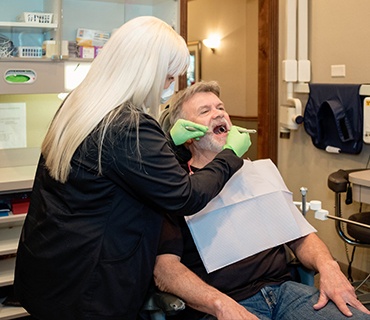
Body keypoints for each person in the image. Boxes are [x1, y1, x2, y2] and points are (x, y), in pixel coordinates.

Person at [13, 18, 252, 320]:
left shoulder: (82, 104)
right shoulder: (130, 125)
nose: (168, 86)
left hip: (51, 266)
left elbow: (120, 165)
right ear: (146, 72)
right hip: (90, 283)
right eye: (167, 77)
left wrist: (169, 142)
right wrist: (230, 156)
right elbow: (184, 195)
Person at [153, 81, 370, 320]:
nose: (218, 114)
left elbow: (301, 235)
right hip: (223, 302)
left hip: (286, 292)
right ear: (187, 136)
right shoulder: (176, 187)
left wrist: (329, 266)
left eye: (221, 108)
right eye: (205, 111)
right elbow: (165, 270)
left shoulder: (258, 173)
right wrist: (220, 304)